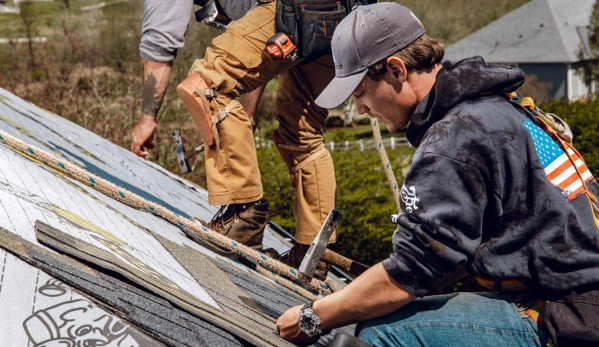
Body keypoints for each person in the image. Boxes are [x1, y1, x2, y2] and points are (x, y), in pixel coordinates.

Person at [276, 3, 599, 346]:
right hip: (579, 299)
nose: (360, 109)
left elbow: (412, 271)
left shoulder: (454, 139)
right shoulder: (495, 108)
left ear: (397, 70)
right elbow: (446, 255)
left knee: (382, 334)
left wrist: (315, 315)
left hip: (572, 316)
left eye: (360, 93)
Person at [131, 0, 338, 276]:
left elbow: (159, 42)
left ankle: (243, 216)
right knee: (303, 134)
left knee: (205, 85)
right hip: (339, 17)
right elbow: (257, 54)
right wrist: (247, 112)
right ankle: (313, 253)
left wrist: (147, 118)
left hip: (291, 7)